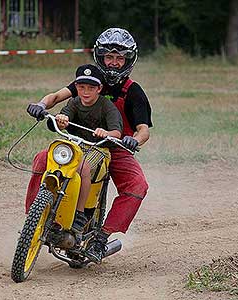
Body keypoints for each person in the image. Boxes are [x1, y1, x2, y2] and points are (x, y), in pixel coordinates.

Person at [26, 27, 152, 263]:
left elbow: (143, 130)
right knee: (41, 159)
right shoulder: (89, 80)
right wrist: (41, 105)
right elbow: (55, 97)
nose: (113, 63)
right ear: (100, 57)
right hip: (80, 142)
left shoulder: (134, 91)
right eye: (109, 57)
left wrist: (132, 140)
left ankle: (101, 238)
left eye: (119, 58)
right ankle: (34, 220)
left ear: (128, 60)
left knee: (138, 186)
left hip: (116, 147)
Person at [53, 64, 123, 233]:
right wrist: (61, 120)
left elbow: (117, 132)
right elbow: (64, 119)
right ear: (76, 87)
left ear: (99, 89)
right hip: (75, 145)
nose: (85, 92)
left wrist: (106, 132)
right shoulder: (74, 102)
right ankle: (44, 205)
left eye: (91, 88)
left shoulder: (106, 106)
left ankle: (80, 213)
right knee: (53, 160)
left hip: (99, 149)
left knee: (82, 167)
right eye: (81, 87)